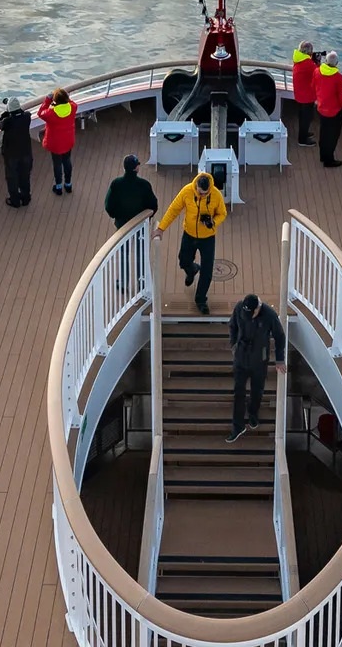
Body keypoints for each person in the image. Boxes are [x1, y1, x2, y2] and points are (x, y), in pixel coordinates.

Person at [154, 169, 228, 314]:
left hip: (208, 237)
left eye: (204, 194)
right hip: (189, 234)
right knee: (183, 260)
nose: (201, 195)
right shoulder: (187, 191)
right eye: (199, 192)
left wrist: (213, 222)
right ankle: (192, 269)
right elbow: (174, 209)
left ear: (209, 189)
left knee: (207, 270)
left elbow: (222, 213)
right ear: (196, 187)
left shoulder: (216, 195)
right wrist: (161, 228)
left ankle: (200, 299)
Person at [226, 292, 286, 443]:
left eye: (251, 314)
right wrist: (233, 343)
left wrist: (279, 359)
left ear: (257, 309)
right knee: (238, 391)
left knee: (257, 389)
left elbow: (279, 336)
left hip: (260, 359)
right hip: (241, 357)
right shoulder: (239, 308)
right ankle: (238, 426)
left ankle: (253, 413)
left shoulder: (269, 315)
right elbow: (232, 325)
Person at [313, 51, 342, 167]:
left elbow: (313, 86)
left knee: (323, 133)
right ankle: (329, 160)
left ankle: (323, 156)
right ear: (337, 63)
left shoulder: (317, 71)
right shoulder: (338, 78)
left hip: (321, 107)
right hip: (334, 111)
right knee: (333, 136)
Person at [0, 97, 35, 208]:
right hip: (26, 153)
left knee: (12, 177)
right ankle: (25, 198)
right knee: (25, 176)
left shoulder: (8, 121)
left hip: (11, 155)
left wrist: (5, 114)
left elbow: (0, 125)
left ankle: (15, 201)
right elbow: (24, 113)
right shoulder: (26, 117)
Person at [42, 88, 80, 194]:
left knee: (57, 164)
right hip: (68, 141)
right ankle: (68, 184)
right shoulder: (72, 107)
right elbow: (71, 102)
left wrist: (48, 100)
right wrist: (65, 97)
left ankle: (58, 187)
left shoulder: (50, 113)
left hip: (55, 144)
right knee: (67, 161)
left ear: (55, 101)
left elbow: (40, 113)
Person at [105, 153, 158, 228]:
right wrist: (147, 217)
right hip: (140, 223)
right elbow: (153, 205)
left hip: (122, 224)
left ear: (124, 167)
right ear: (136, 168)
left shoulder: (116, 184)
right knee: (140, 239)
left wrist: (116, 216)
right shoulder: (144, 185)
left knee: (123, 239)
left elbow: (109, 206)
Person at [289, 42, 318, 145]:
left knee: (302, 115)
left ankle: (304, 133)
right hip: (307, 95)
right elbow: (318, 73)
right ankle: (302, 140)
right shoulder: (308, 64)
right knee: (306, 118)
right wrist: (317, 63)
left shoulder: (298, 59)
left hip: (300, 93)